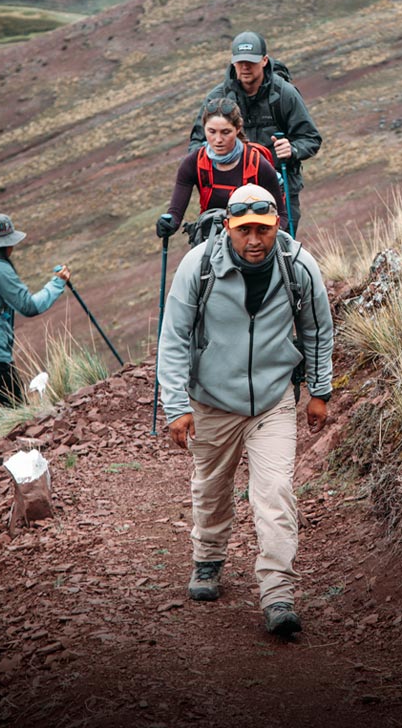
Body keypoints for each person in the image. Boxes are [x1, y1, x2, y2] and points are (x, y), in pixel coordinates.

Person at [157, 184, 333, 636]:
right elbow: (174, 338)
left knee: (274, 492)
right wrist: (176, 406)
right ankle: (208, 558)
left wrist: (320, 390)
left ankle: (278, 594)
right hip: (213, 400)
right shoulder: (198, 267)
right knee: (212, 485)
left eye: (263, 229)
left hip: (274, 401)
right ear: (228, 230)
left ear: (277, 224)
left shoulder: (299, 267)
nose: (254, 240)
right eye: (244, 231)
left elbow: (317, 329)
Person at [189, 31, 322, 234]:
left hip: (279, 192)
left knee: (281, 249)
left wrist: (292, 149)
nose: (245, 67)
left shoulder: (284, 94)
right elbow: (196, 145)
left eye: (250, 61)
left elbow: (310, 138)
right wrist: (214, 153)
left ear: (264, 60)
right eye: (240, 62)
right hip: (231, 193)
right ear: (233, 63)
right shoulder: (217, 99)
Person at [0, 214, 71, 433]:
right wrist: (57, 283)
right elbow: (29, 306)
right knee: (20, 412)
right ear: (3, 245)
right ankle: (30, 453)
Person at [156, 96, 287, 240]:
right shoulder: (193, 163)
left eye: (225, 132)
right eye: (212, 132)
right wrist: (168, 224)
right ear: (204, 128)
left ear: (237, 129)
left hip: (252, 240)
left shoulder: (258, 165)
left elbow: (281, 215)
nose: (218, 140)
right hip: (210, 237)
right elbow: (175, 214)